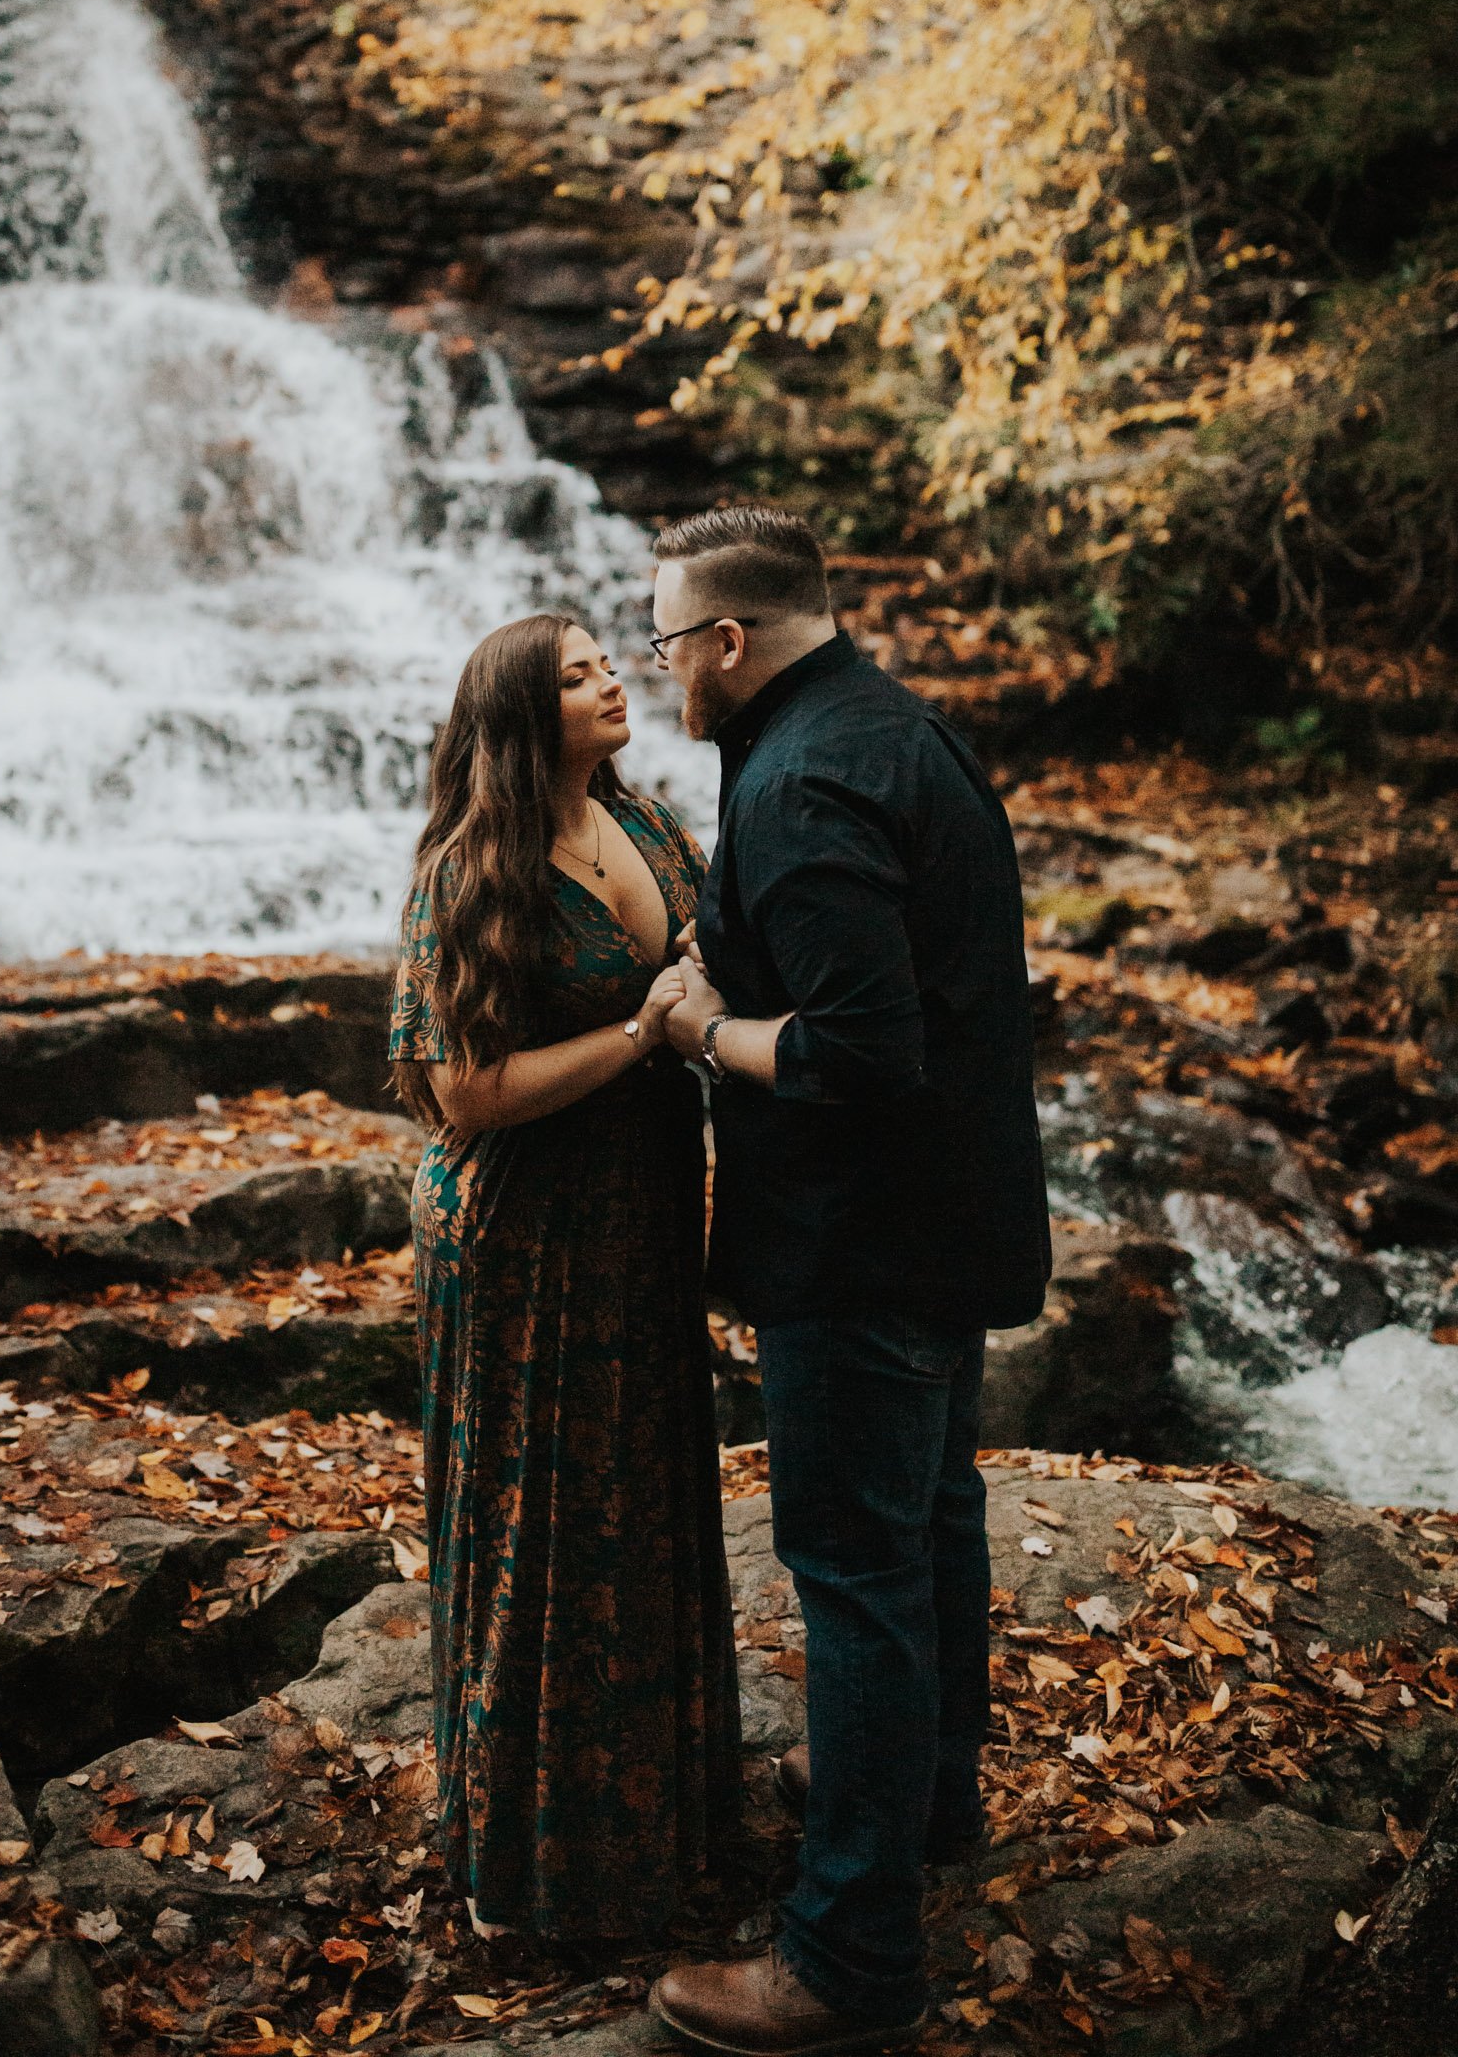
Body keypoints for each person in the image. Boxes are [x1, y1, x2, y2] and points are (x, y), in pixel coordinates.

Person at [645, 509, 1051, 2055]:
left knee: (858, 1577)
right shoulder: (894, 726)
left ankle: (848, 1954)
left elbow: (859, 1053)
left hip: (864, 1248)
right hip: (951, 1225)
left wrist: (702, 1031)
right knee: (932, 1526)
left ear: (730, 642)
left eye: (671, 640)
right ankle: (929, 1800)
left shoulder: (806, 775)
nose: (662, 668)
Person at [388, 612, 740, 1943]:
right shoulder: (472, 874)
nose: (612, 681)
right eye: (581, 672)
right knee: (546, 1523)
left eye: (610, 662)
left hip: (641, 1218)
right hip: (527, 1236)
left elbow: (709, 951)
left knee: (641, 1501)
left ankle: (658, 1835)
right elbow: (459, 1091)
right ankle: (533, 1873)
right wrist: (644, 1037)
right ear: (523, 714)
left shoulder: (640, 822)